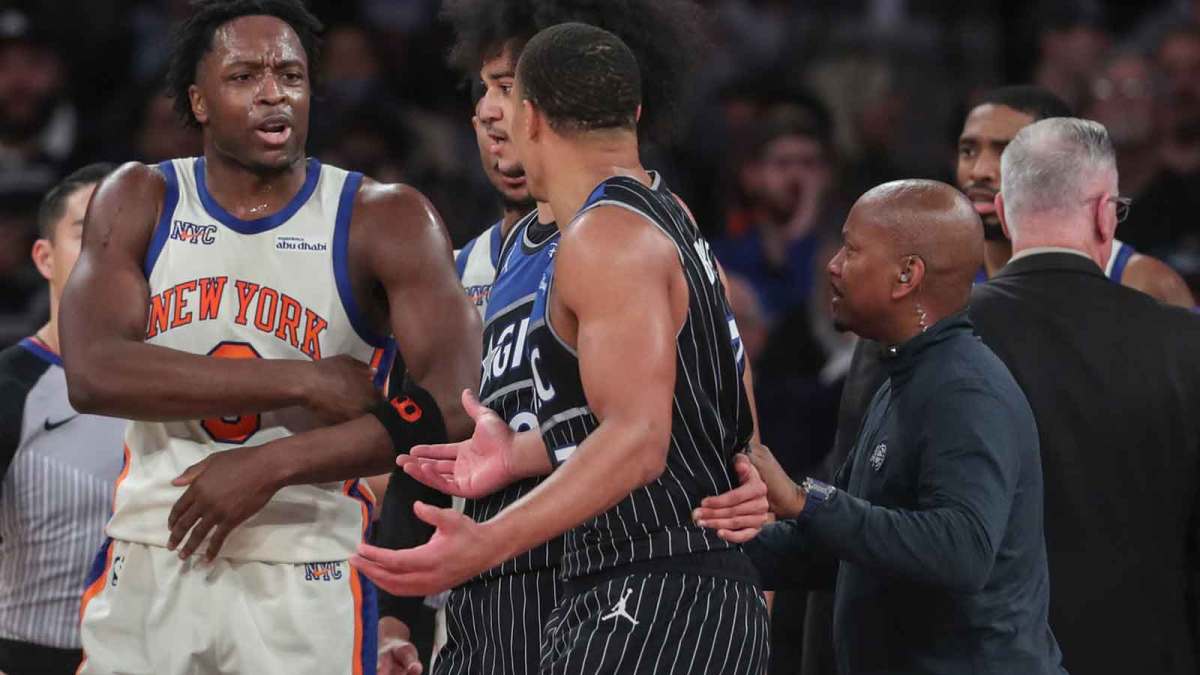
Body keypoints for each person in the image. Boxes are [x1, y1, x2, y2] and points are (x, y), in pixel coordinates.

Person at [58, 2, 480, 673]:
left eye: (291, 74)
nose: (273, 93)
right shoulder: (140, 198)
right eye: (244, 76)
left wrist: (271, 463)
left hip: (306, 564)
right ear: (198, 101)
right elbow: (92, 372)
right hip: (153, 551)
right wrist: (301, 378)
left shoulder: (386, 217)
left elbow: (452, 404)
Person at [354, 23, 770, 674]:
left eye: (504, 90)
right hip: (646, 585)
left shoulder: (606, 235)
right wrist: (520, 452)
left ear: (530, 116)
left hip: (653, 584)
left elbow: (638, 436)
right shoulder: (656, 224)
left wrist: (486, 541)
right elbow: (705, 419)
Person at [705, 179, 1064, 674]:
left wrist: (805, 500)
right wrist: (700, 548)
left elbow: (962, 550)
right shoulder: (902, 380)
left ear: (906, 276)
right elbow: (845, 549)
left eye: (851, 251)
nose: (832, 266)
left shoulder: (964, 390)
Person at [977, 117, 1200, 675]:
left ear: (1002, 213)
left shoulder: (938, 337)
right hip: (1150, 652)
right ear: (1106, 215)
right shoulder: (1184, 343)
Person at [0, 164, 123, 675]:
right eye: (86, 231)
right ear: (44, 258)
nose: (109, 250)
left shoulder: (192, 384)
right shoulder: (11, 388)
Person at [958, 85, 1192, 306]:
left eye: (1007, 153)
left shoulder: (1141, 284)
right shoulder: (941, 283)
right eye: (968, 151)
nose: (979, 171)